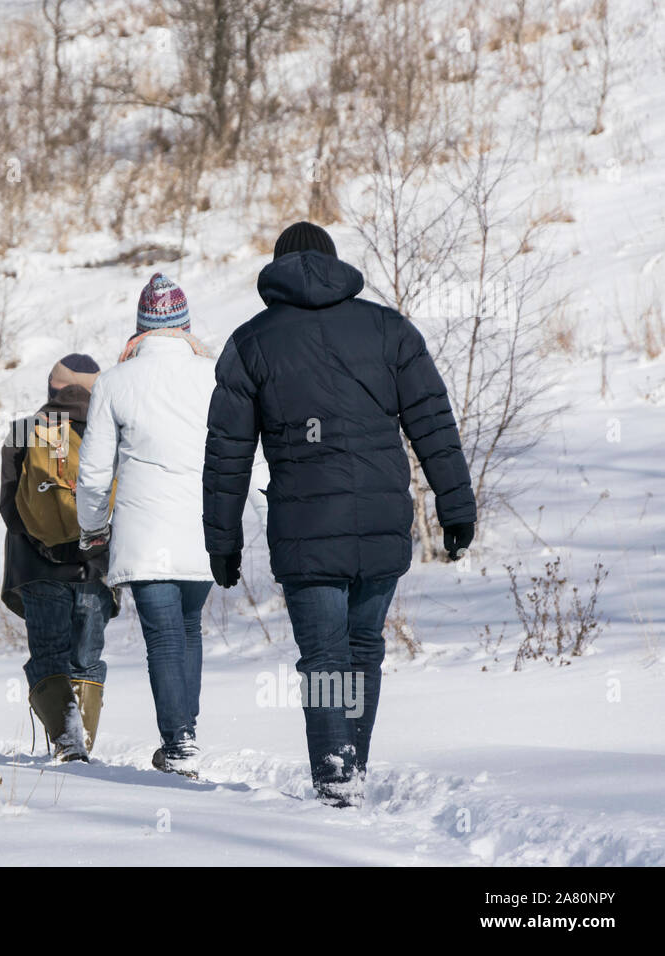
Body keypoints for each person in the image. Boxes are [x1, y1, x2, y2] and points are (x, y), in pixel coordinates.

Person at [202, 221, 476, 806]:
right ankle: (349, 775)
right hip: (380, 523)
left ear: (277, 270)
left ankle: (336, 782)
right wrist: (456, 505)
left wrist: (221, 541)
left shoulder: (252, 342)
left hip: (306, 533)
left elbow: (227, 455)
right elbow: (433, 422)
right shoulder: (388, 329)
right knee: (364, 650)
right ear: (335, 263)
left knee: (325, 659)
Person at [76, 274, 217, 776]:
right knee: (188, 630)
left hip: (144, 533)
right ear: (184, 325)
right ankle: (186, 737)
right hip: (203, 528)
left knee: (164, 637)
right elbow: (240, 453)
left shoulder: (115, 381)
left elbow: (94, 472)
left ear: (141, 327)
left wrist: (92, 528)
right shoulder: (214, 376)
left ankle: (179, 743)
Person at [0, 354, 119, 762]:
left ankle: (68, 743)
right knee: (86, 659)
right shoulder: (110, 432)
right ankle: (80, 743)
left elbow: (10, 509)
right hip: (94, 565)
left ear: (52, 389)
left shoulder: (23, 430)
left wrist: (44, 541)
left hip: (37, 566)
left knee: (49, 654)